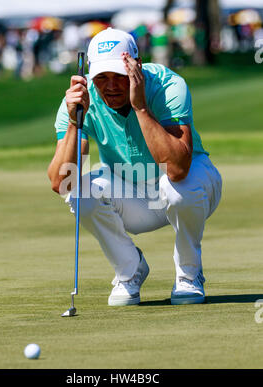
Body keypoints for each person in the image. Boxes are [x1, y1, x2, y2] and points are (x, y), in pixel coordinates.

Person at [48, 28, 222, 306]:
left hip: (193, 186)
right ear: (90, 75)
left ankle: (189, 274)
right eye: (102, 77)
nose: (111, 85)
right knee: (78, 191)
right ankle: (130, 270)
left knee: (176, 185)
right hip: (134, 196)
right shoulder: (79, 99)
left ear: (137, 66)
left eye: (119, 75)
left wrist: (140, 107)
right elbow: (61, 182)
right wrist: (73, 122)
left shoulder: (167, 85)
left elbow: (177, 168)